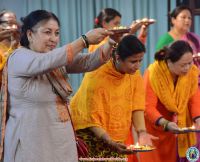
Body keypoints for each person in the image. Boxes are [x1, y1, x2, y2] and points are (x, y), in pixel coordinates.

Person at [1, 9, 116, 162]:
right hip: (31, 143)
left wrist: (111, 42)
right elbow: (43, 63)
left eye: (56, 33)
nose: (53, 39)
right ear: (29, 34)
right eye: (47, 32)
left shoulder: (54, 59)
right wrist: (83, 40)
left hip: (61, 142)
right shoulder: (18, 57)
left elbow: (87, 61)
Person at [70, 35, 157, 161]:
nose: (137, 66)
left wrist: (142, 132)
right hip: (89, 136)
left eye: (140, 60)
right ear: (118, 58)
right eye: (133, 61)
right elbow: (90, 117)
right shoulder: (97, 73)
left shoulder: (134, 74)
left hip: (116, 140)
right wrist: (109, 141)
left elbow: (137, 105)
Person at [140, 40, 200, 162]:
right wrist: (165, 123)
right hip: (152, 129)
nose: (188, 68)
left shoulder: (191, 73)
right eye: (183, 65)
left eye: (190, 63)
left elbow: (194, 99)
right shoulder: (153, 74)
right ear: (169, 62)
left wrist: (198, 118)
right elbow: (147, 107)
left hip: (172, 131)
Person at [156, 5, 200, 85]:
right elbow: (160, 64)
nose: (187, 20)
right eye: (183, 17)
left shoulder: (194, 38)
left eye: (189, 18)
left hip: (195, 80)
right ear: (173, 20)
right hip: (172, 82)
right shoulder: (165, 40)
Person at [0, 10, 20, 88]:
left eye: (15, 24)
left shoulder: (21, 46)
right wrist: (11, 50)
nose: (14, 27)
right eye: (8, 24)